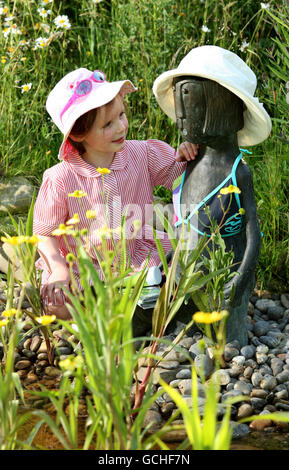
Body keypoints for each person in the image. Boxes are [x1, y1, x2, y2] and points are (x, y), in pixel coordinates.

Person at [32, 68, 199, 320]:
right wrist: (57, 270)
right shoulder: (61, 178)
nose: (121, 127)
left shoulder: (142, 154)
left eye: (121, 115)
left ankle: (129, 300)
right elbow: (44, 233)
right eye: (107, 124)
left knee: (186, 266)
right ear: (78, 133)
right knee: (57, 305)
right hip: (83, 263)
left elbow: (182, 174)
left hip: (133, 253)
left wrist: (188, 154)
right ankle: (116, 304)